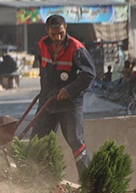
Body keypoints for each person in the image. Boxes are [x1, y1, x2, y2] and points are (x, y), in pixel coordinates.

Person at [32, 14, 95, 175]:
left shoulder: (76, 48)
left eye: (61, 33)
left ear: (65, 28)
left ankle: (89, 180)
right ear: (47, 31)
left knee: (76, 142)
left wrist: (68, 90)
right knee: (37, 142)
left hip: (70, 105)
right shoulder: (42, 44)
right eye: (54, 34)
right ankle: (34, 180)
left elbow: (89, 75)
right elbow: (43, 72)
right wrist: (44, 92)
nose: (58, 37)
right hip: (48, 102)